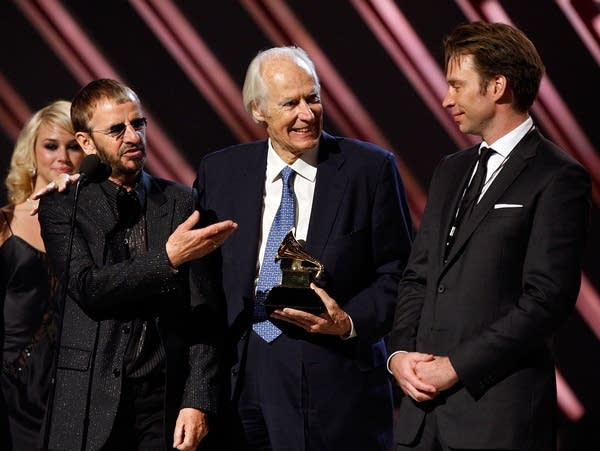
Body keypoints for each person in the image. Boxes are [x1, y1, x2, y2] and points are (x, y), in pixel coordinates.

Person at [194, 46, 413, 450]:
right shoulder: (219, 170)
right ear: (259, 110)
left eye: (312, 97)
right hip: (239, 372)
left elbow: (400, 272)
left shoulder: (370, 169)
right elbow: (202, 279)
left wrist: (347, 321)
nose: (307, 114)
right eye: (290, 103)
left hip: (332, 375)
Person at [387, 21, 591, 451]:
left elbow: (546, 301)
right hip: (421, 422)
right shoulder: (450, 170)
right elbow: (418, 276)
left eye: (457, 85)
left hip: (499, 421)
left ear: (497, 86)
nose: (447, 100)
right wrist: (400, 355)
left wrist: (456, 367)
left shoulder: (557, 177)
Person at [38, 79, 237, 451]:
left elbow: (206, 313)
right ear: (85, 142)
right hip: (86, 397)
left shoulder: (182, 202)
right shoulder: (63, 205)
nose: (133, 136)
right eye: (117, 129)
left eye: (138, 124)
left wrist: (197, 400)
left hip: (161, 399)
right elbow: (88, 287)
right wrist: (168, 259)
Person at [1, 100, 85, 450]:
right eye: (51, 145)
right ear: (32, 152)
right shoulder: (5, 222)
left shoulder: (95, 226)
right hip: (9, 383)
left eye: (73, 146)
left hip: (71, 384)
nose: (62, 156)